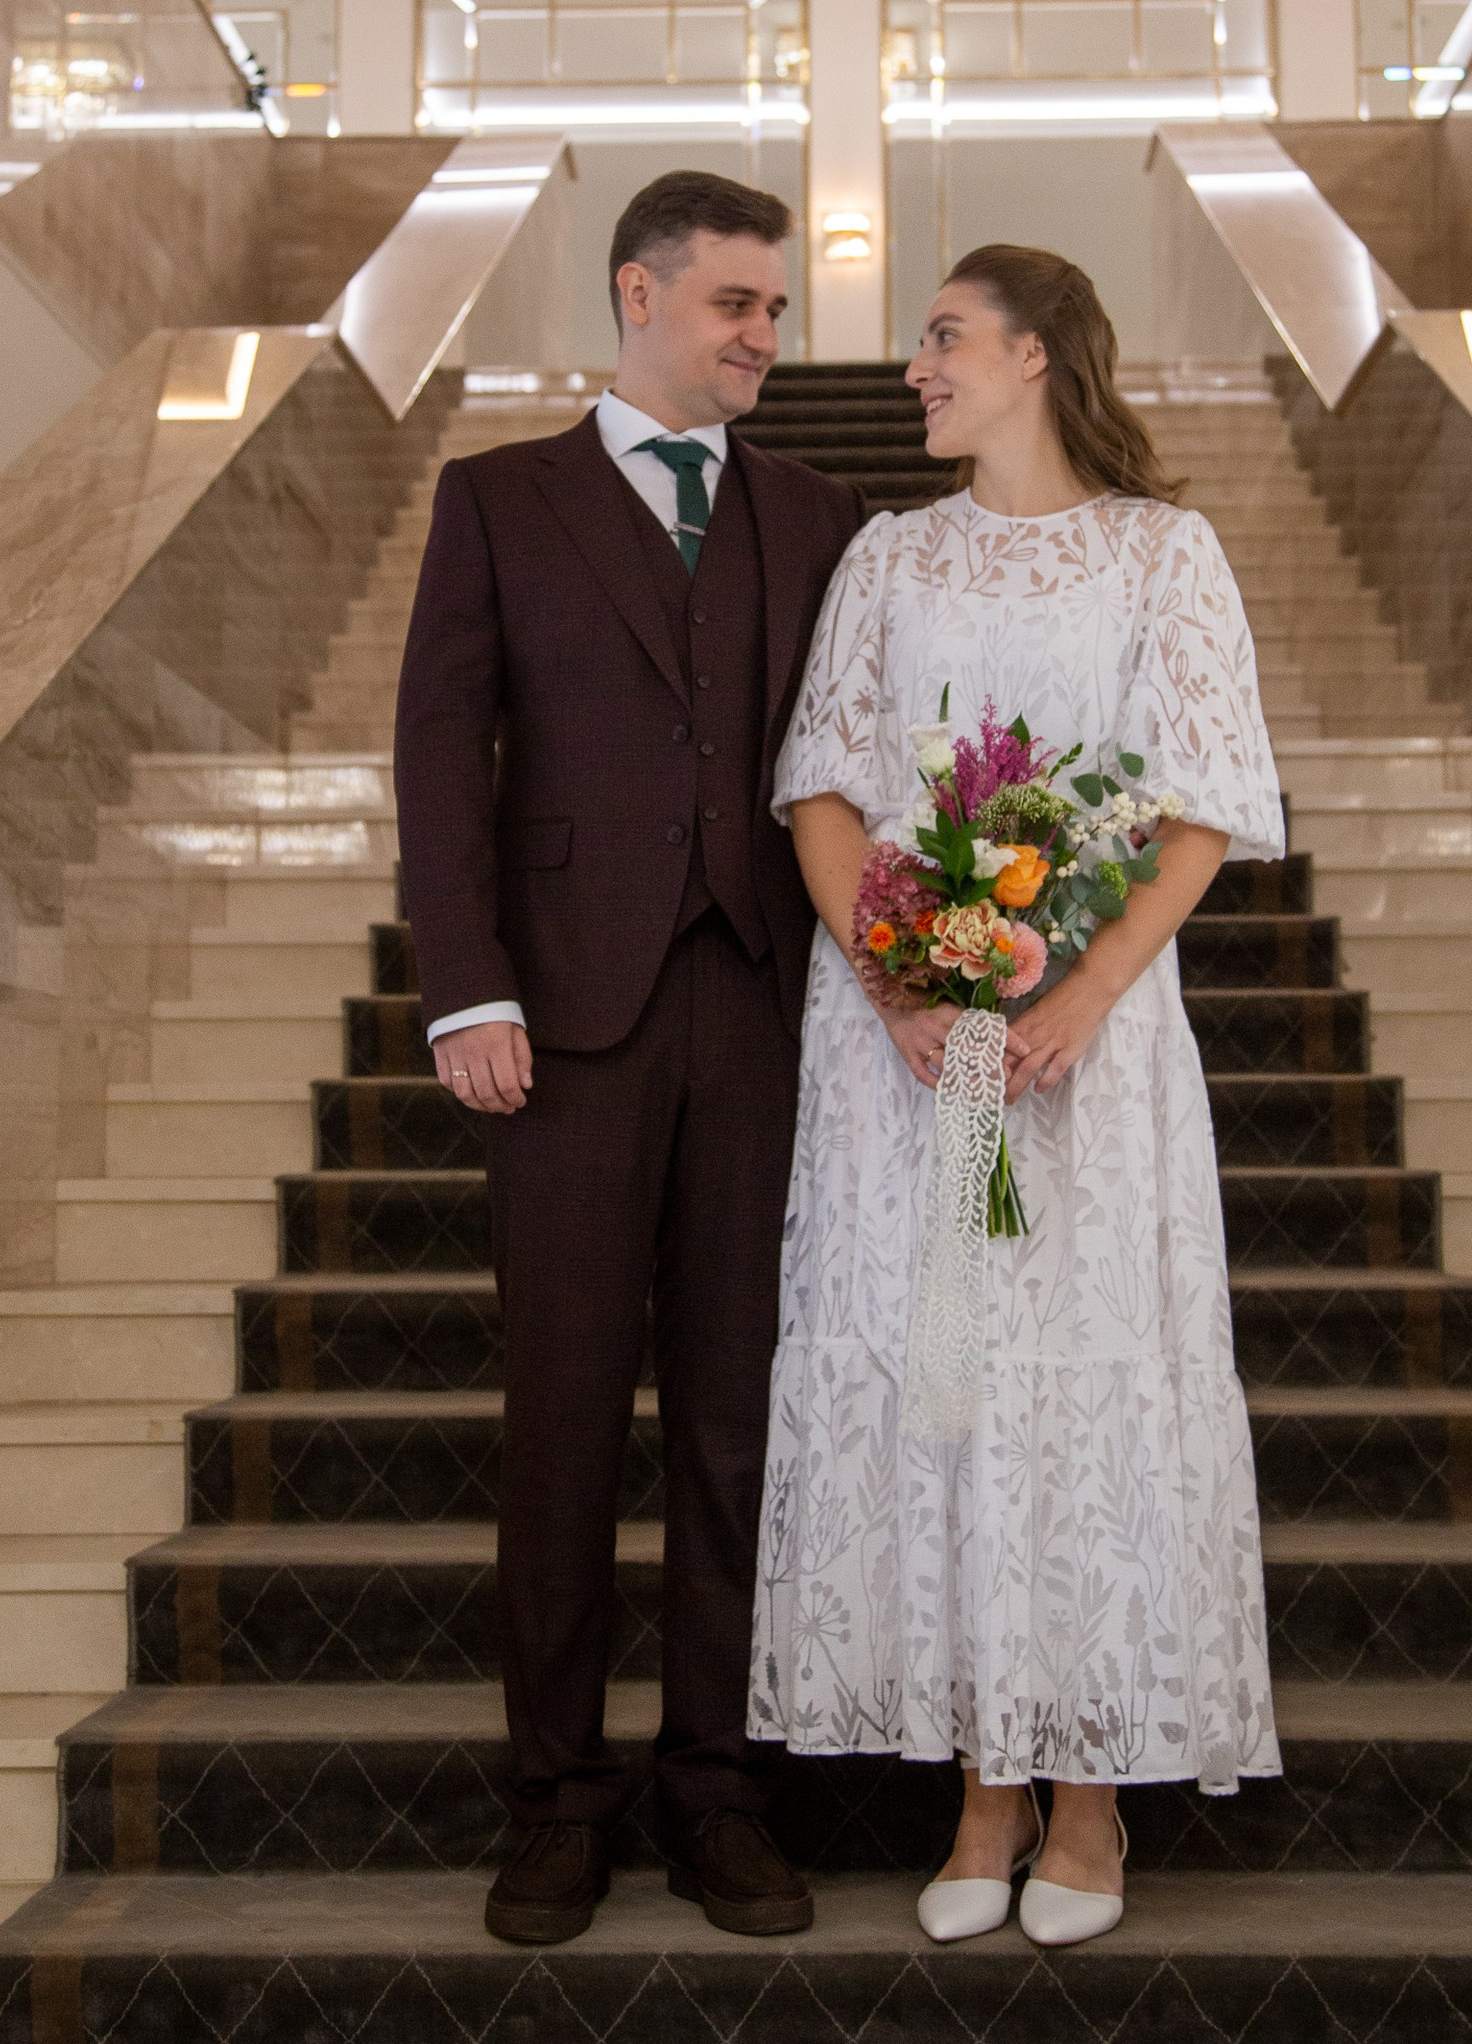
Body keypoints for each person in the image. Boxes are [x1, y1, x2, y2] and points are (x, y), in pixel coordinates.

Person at [750, 243, 1282, 1948]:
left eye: (945, 337)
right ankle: (986, 1784)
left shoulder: (1162, 552)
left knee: (1083, 1375)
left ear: (1040, 353)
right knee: (953, 1373)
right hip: (912, 1052)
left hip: (1086, 1050)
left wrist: (1089, 988)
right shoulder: (888, 556)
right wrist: (898, 980)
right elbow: (823, 787)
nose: (916, 366)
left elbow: (1199, 799)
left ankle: (1095, 1795)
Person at [394, 170, 865, 1948]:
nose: (765, 336)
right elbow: (440, 749)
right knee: (567, 1425)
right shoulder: (497, 498)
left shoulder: (821, 513)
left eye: (777, 309)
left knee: (738, 1428)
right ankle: (556, 1802)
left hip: (762, 1010)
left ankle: (717, 1791)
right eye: (738, 303)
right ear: (639, 294)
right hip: (563, 1026)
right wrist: (468, 989)